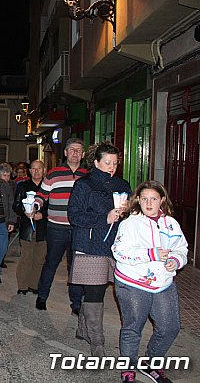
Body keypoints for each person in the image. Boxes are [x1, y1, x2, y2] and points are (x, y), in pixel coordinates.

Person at [112, 180, 188, 383]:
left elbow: (182, 248)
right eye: (144, 198)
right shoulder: (130, 223)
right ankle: (127, 370)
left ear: (161, 200)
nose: (148, 203)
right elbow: (119, 252)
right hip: (133, 282)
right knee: (132, 327)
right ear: (137, 200)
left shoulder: (170, 223)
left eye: (153, 199)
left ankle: (151, 363)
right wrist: (151, 253)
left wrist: (176, 260)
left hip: (162, 282)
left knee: (170, 327)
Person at [68, 141, 131, 356]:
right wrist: (105, 217)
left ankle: (82, 328)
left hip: (116, 246)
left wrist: (126, 213)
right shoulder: (84, 185)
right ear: (96, 162)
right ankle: (98, 342)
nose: (112, 167)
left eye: (115, 163)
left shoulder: (123, 185)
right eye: (107, 162)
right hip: (91, 246)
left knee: (98, 289)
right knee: (95, 293)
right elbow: (74, 216)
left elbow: (130, 217)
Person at [34, 138, 88, 314]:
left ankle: (76, 304)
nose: (75, 153)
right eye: (71, 149)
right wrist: (34, 206)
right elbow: (41, 195)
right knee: (51, 263)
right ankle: (42, 297)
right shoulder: (53, 174)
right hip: (56, 228)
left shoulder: (88, 175)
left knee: (76, 267)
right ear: (65, 153)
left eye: (78, 150)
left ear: (83, 154)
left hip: (79, 228)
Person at [13, 160, 48, 295]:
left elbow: (53, 207)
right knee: (26, 257)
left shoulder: (49, 187)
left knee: (39, 259)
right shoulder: (23, 186)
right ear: (29, 171)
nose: (36, 171)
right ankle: (22, 286)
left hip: (43, 229)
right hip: (27, 228)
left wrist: (43, 215)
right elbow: (15, 205)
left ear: (44, 170)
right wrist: (24, 211)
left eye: (39, 168)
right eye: (33, 169)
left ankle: (34, 284)